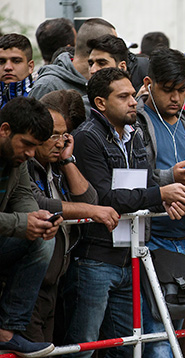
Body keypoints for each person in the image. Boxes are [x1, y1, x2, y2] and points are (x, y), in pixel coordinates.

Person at [62, 68, 185, 358]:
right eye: (123, 96)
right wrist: (160, 194)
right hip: (95, 259)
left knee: (128, 347)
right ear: (101, 103)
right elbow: (104, 198)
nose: (133, 102)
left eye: (132, 94)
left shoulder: (134, 133)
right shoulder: (87, 137)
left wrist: (162, 201)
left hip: (132, 256)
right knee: (83, 347)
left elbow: (145, 180)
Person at [134, 47, 185, 357]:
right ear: (149, 83)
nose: (176, 98)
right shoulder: (135, 125)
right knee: (158, 339)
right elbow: (131, 180)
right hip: (149, 243)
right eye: (168, 90)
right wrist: (169, 179)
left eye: (181, 90)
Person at [23, 91, 120, 343]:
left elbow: (89, 200)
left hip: (55, 282)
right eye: (53, 135)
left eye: (64, 135)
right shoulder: (23, 165)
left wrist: (68, 161)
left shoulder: (57, 165)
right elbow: (40, 204)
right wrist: (93, 212)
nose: (59, 142)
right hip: (27, 285)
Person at [0, 96, 61, 357]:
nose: (30, 154)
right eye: (25, 144)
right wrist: (22, 223)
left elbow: (23, 195)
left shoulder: (18, 160)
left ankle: (8, 331)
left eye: (36, 147)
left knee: (43, 239)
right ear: (4, 130)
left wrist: (38, 220)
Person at [31, 18, 117, 99]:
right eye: (113, 44)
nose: (119, 50)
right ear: (98, 47)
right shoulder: (48, 86)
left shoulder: (101, 84)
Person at [0, 33, 35, 108]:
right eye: (1, 62)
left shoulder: (40, 97)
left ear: (30, 67)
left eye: (16, 61)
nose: (8, 67)